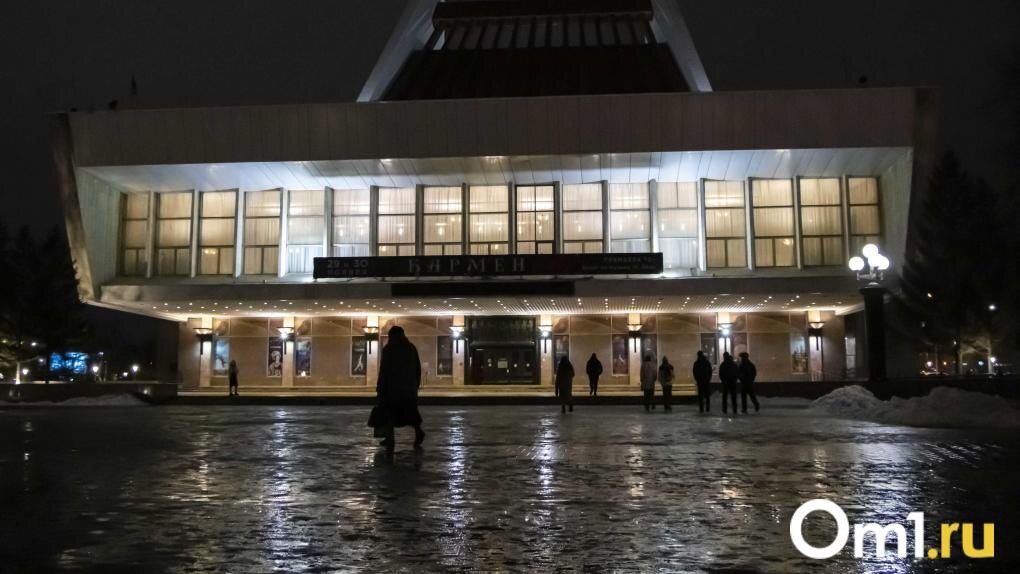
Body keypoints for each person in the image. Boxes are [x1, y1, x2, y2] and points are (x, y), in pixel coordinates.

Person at [375, 325, 425, 451]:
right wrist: (415, 385)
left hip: (392, 389)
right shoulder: (411, 348)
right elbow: (417, 369)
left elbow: (384, 370)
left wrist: (380, 388)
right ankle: (418, 432)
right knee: (411, 412)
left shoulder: (389, 349)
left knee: (389, 413)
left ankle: (390, 438)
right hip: (408, 389)